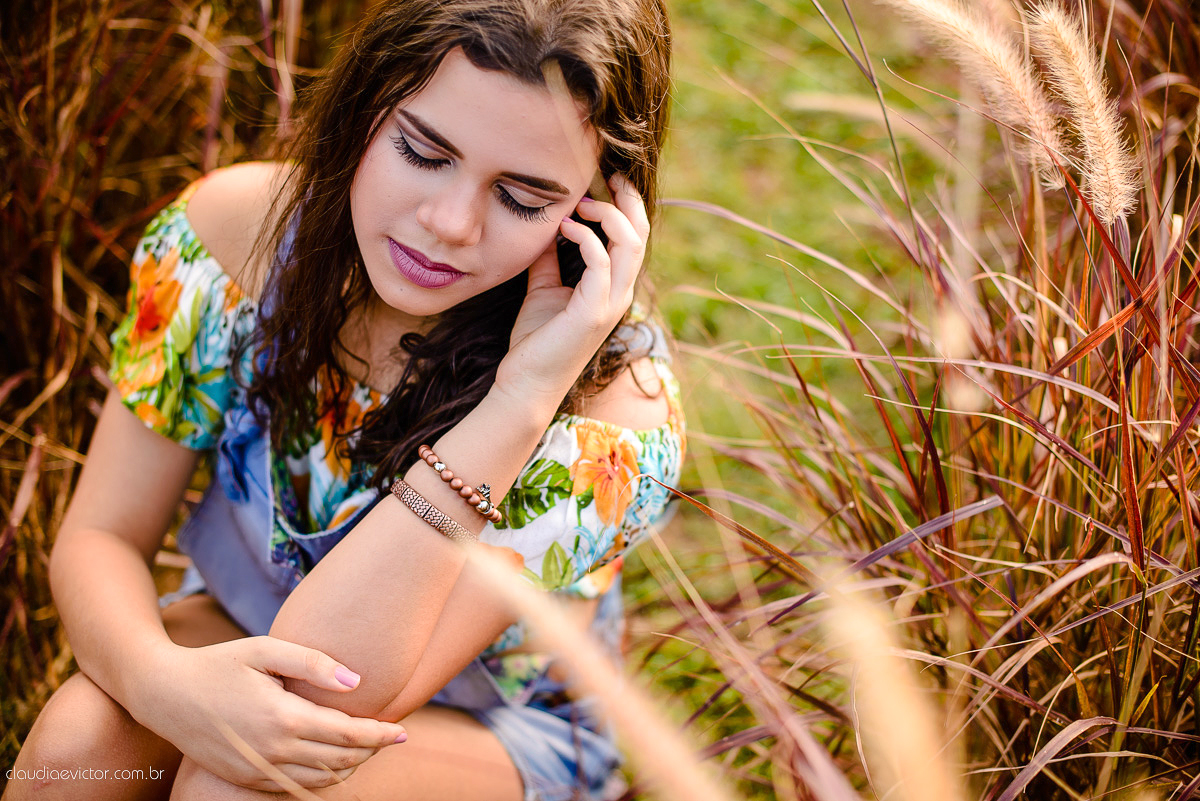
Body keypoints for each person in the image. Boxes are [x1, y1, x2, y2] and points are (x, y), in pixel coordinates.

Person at [2, 0, 683, 799]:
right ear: (366, 105)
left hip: (488, 720)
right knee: (78, 744)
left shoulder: (610, 411)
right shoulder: (235, 241)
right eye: (422, 151)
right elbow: (102, 535)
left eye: (523, 198)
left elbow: (341, 686)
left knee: (239, 789)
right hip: (240, 621)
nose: (448, 223)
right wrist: (163, 686)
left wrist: (522, 396)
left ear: (597, 212)